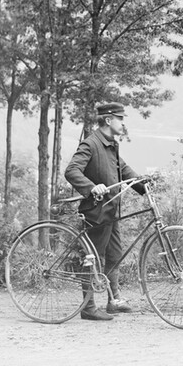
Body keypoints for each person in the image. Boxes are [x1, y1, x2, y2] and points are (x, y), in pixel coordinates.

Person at [64, 102, 147, 321]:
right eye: (120, 119)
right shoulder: (91, 144)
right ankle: (89, 307)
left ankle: (114, 300)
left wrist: (141, 184)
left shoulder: (111, 144)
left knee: (114, 255)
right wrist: (92, 187)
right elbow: (72, 170)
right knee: (92, 258)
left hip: (112, 208)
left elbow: (123, 168)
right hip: (96, 211)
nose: (123, 123)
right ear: (108, 120)